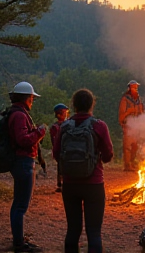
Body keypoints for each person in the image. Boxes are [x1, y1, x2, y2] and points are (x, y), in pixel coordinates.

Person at [53, 88, 113, 253]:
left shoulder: (64, 126)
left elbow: (56, 154)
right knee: (94, 232)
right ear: (91, 105)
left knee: (73, 230)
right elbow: (108, 155)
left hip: (70, 185)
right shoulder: (99, 126)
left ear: (73, 105)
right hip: (94, 184)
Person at [8, 81, 46, 253]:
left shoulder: (16, 113)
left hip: (21, 162)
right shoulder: (20, 116)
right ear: (25, 98)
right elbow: (23, 140)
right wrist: (39, 132)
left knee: (19, 204)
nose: (32, 100)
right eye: (31, 97)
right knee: (20, 205)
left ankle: (19, 240)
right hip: (23, 163)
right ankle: (19, 244)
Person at [118, 80, 145, 171]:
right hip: (128, 125)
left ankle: (132, 162)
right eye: (134, 87)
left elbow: (142, 111)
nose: (136, 89)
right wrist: (129, 112)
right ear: (129, 88)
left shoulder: (138, 100)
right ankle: (127, 165)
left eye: (136, 87)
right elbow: (121, 114)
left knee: (135, 145)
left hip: (136, 125)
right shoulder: (125, 99)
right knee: (127, 146)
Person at [49, 103, 69, 192]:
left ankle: (65, 183)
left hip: (66, 149)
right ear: (59, 114)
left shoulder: (67, 124)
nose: (66, 114)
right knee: (61, 167)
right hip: (61, 150)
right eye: (65, 112)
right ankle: (60, 184)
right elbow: (55, 140)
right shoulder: (55, 127)